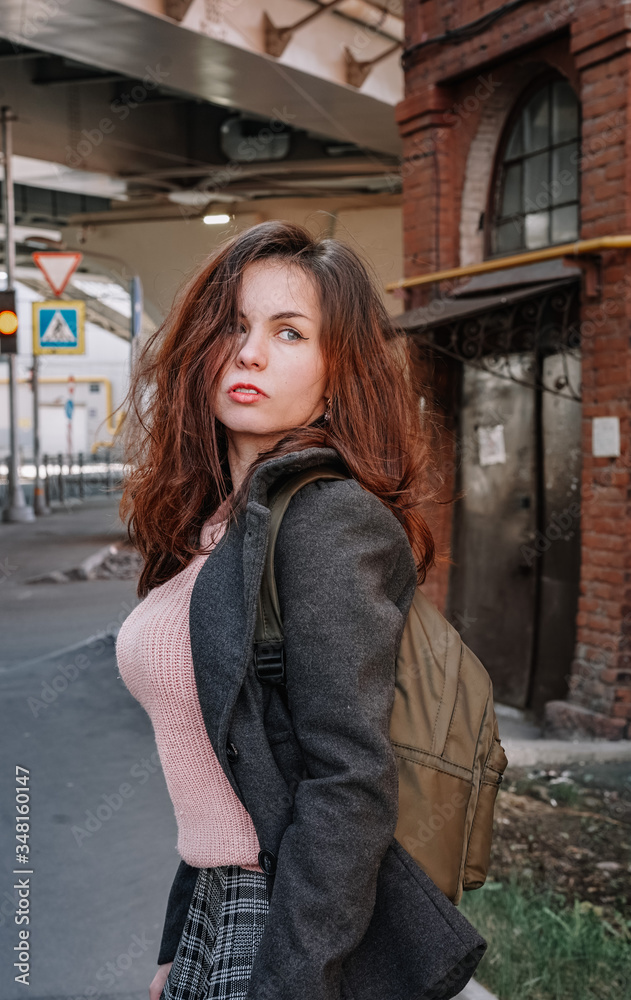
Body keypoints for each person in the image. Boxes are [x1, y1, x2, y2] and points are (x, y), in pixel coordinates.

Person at [115, 220, 465, 1000]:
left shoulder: (324, 520)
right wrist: (179, 940)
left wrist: (290, 981)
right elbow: (229, 759)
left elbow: (350, 782)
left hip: (287, 921)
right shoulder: (218, 525)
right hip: (219, 902)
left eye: (288, 332)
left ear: (336, 374)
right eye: (233, 327)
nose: (249, 353)